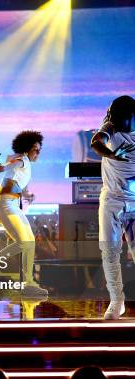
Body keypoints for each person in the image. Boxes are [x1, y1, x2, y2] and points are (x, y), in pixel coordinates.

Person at [90, 95, 135, 319]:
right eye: (120, 119)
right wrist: (111, 155)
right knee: (109, 252)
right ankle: (117, 301)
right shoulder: (110, 126)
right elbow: (96, 142)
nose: (123, 123)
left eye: (127, 119)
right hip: (112, 201)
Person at [0, 130, 48, 297]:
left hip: (13, 205)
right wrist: (2, 168)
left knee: (30, 242)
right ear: (27, 149)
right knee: (23, 242)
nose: (38, 153)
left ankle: (27, 283)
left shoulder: (26, 166)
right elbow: (15, 163)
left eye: (39, 149)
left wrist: (28, 195)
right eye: (36, 149)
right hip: (5, 205)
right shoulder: (21, 159)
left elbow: (17, 180)